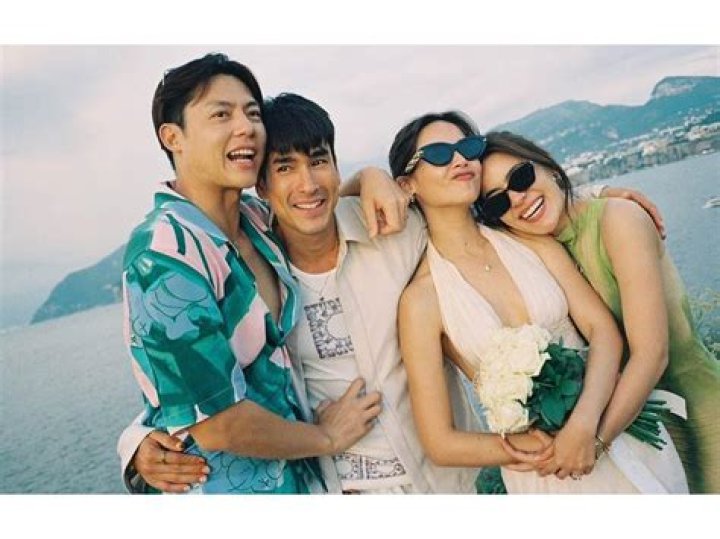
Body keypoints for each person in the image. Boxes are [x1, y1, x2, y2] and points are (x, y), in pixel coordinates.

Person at [120, 92, 483, 494]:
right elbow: (206, 377)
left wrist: (371, 175)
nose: (307, 184)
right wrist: (137, 439)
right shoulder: (255, 268)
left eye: (319, 161)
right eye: (285, 167)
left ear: (336, 166)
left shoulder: (394, 231)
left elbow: (473, 265)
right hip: (333, 488)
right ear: (261, 184)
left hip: (439, 481)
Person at [120, 54, 382, 494]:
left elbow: (311, 196)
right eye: (221, 114)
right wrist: (327, 438)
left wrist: (373, 178)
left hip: (304, 480)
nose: (246, 127)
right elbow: (218, 423)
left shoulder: (255, 220)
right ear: (173, 137)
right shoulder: (162, 254)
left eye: (253, 113)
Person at [391, 111, 688, 493]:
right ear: (407, 184)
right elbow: (440, 442)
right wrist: (541, 449)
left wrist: (586, 426)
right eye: (439, 154)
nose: (460, 159)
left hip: (619, 428)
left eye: (467, 147)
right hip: (546, 476)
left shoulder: (528, 239)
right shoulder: (420, 302)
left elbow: (603, 331)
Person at [477, 131, 720, 493]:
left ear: (548, 166)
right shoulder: (538, 255)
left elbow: (652, 354)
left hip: (700, 416)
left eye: (521, 177)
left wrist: (592, 441)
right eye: (497, 202)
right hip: (641, 440)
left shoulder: (618, 219)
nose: (517, 198)